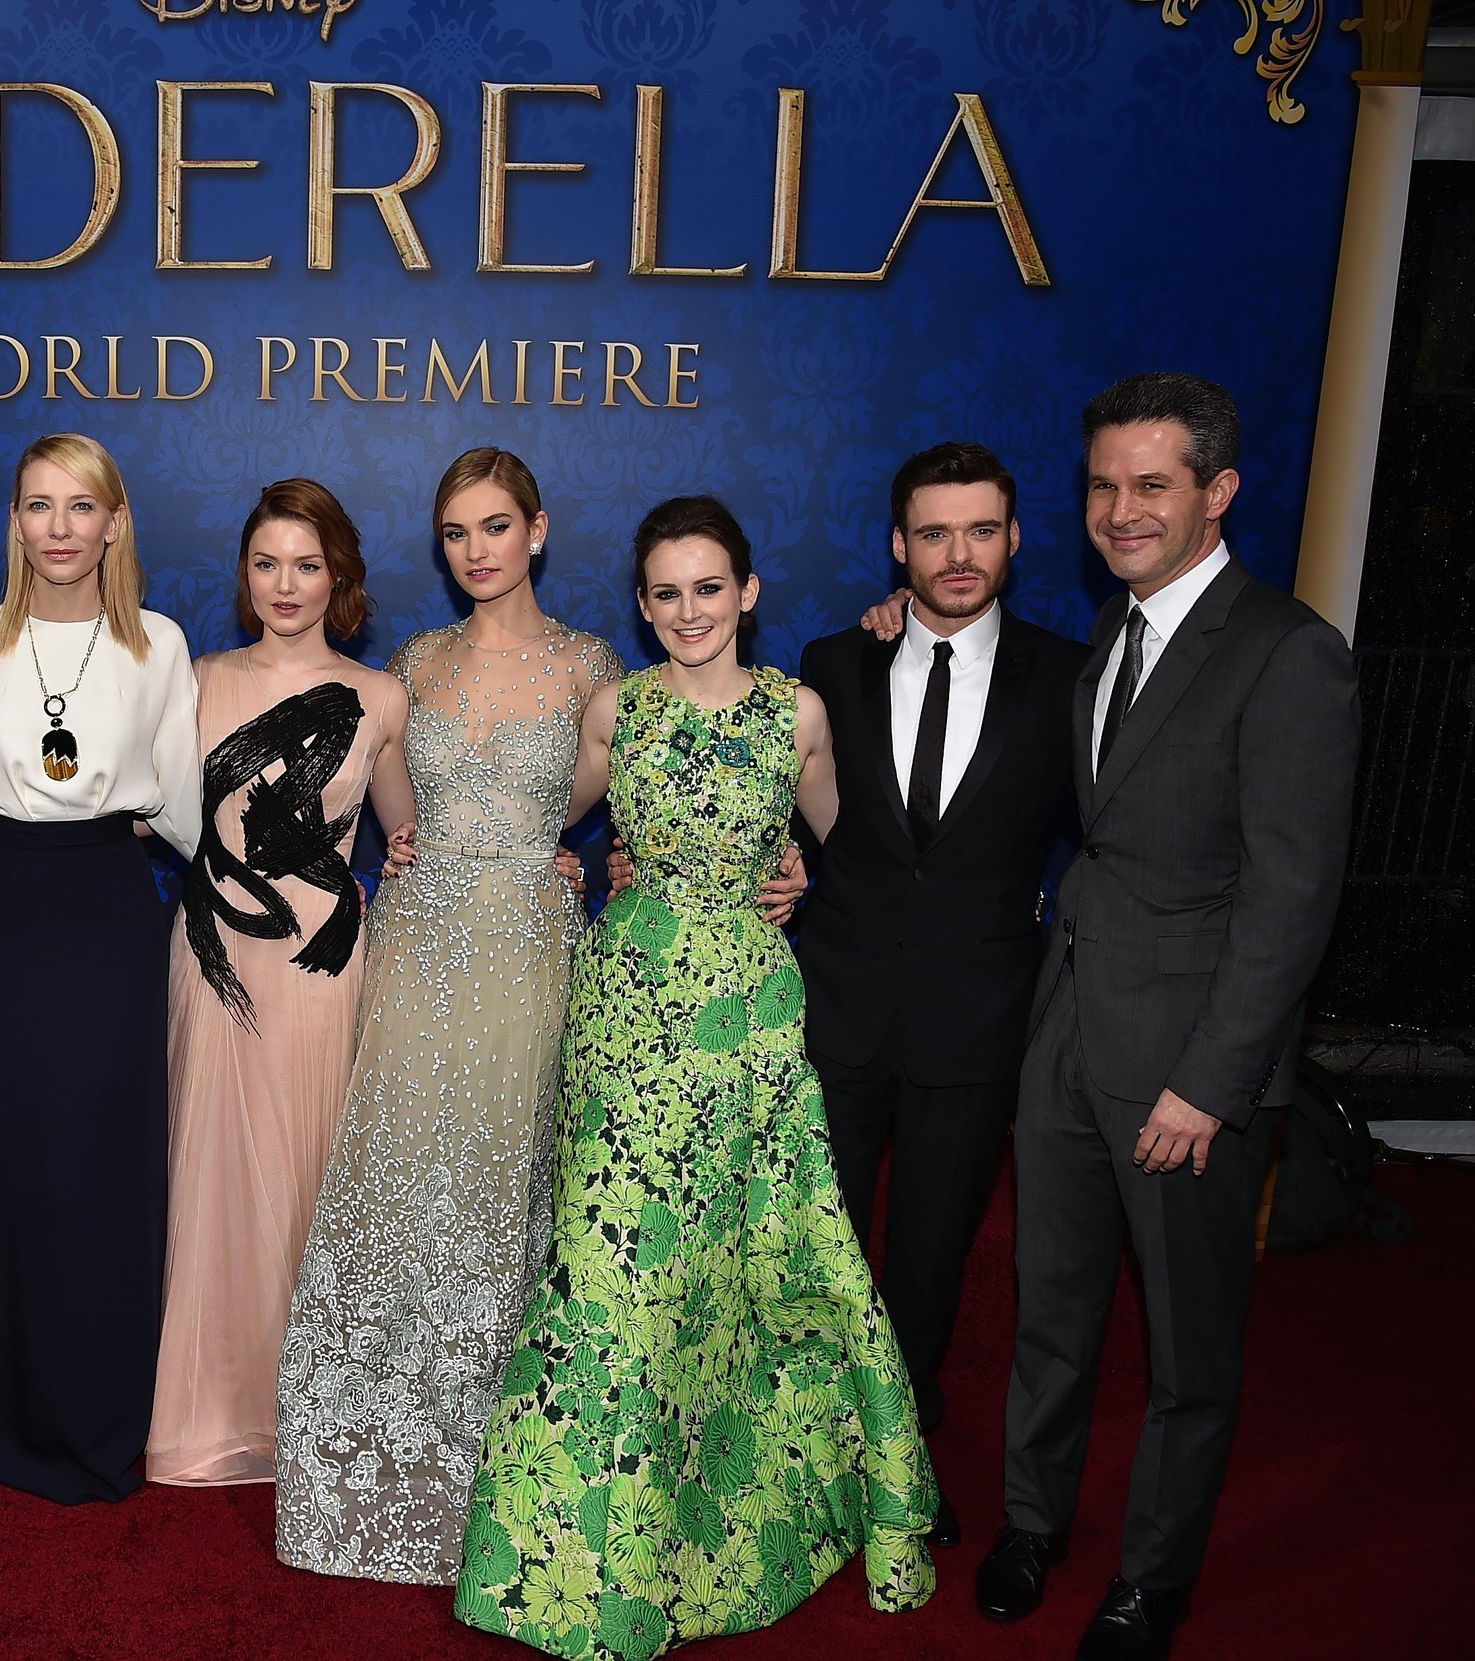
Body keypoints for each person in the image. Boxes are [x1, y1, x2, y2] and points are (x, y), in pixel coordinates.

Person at [455, 495, 935, 1656]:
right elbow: (535, 819)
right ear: (641, 602)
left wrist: (800, 877)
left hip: (747, 1024)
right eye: (666, 593)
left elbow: (852, 851)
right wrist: (444, 838)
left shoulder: (797, 712)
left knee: (722, 1265)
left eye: (708, 588)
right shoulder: (616, 708)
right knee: (605, 1263)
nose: (688, 611)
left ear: (747, 592)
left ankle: (699, 1528)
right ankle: (577, 1557)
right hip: (624, 1010)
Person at [967, 374, 1357, 1661]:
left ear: (1217, 491)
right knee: (1050, 1309)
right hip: (1067, 1036)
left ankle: (1152, 1579)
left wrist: (1211, 1081)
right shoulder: (1110, 636)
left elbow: (1290, 899)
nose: (1120, 510)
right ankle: (1033, 1523)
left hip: (1188, 1068)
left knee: (1189, 1349)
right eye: (1102, 485)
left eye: (1151, 485)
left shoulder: (1287, 652)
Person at [274, 447, 626, 1582]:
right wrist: (407, 849)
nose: (476, 550)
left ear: (537, 529)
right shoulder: (414, 662)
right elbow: (389, 813)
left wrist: (568, 857)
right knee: (399, 1178)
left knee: (501, 1184)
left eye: (494, 527)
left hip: (527, 948)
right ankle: (372, 1447)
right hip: (418, 946)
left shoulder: (592, 666)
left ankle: (498, 1458)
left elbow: (618, 802)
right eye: (456, 533)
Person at [792, 442, 1086, 1545]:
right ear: (897, 545)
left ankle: (898, 1457)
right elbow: (776, 805)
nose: (957, 554)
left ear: (1013, 539)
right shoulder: (832, 662)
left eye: (980, 530)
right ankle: (803, 1453)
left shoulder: (1071, 674)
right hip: (837, 1007)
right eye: (933, 532)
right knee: (816, 1252)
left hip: (977, 1018)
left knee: (928, 1259)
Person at [0, 431, 201, 1504]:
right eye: (38, 505)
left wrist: (305, 877)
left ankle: (97, 1403)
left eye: (81, 506)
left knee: (97, 1160)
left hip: (106, 914)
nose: (58, 527)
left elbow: (184, 809)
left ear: (115, 523)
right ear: (14, 521)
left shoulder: (160, 645)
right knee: (4, 1156)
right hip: (1, 910)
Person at [145, 479, 415, 1487]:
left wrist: (542, 857)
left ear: (339, 575)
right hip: (215, 954)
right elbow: (141, 804)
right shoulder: (194, 679)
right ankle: (212, 1410)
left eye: (307, 564)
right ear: (245, 574)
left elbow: (409, 835)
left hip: (321, 969)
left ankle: (307, 1410)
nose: (286, 584)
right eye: (267, 563)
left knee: (309, 1177)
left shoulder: (380, 696)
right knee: (211, 1179)